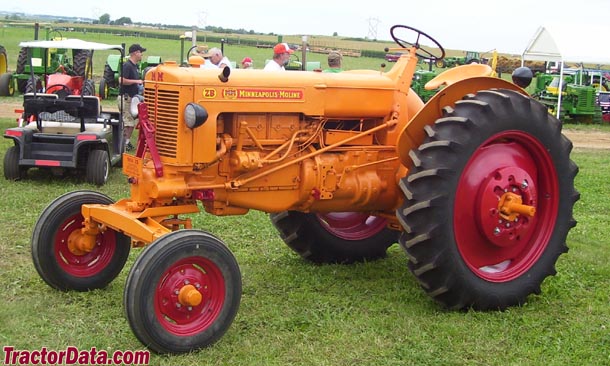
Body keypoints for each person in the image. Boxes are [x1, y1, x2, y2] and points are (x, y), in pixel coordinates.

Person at [119, 43, 146, 151]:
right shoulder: (127, 65)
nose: (141, 55)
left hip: (131, 98)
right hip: (126, 98)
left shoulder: (134, 66)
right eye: (140, 52)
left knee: (131, 122)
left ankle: (127, 142)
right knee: (128, 122)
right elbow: (121, 80)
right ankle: (124, 144)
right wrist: (136, 81)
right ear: (135, 53)